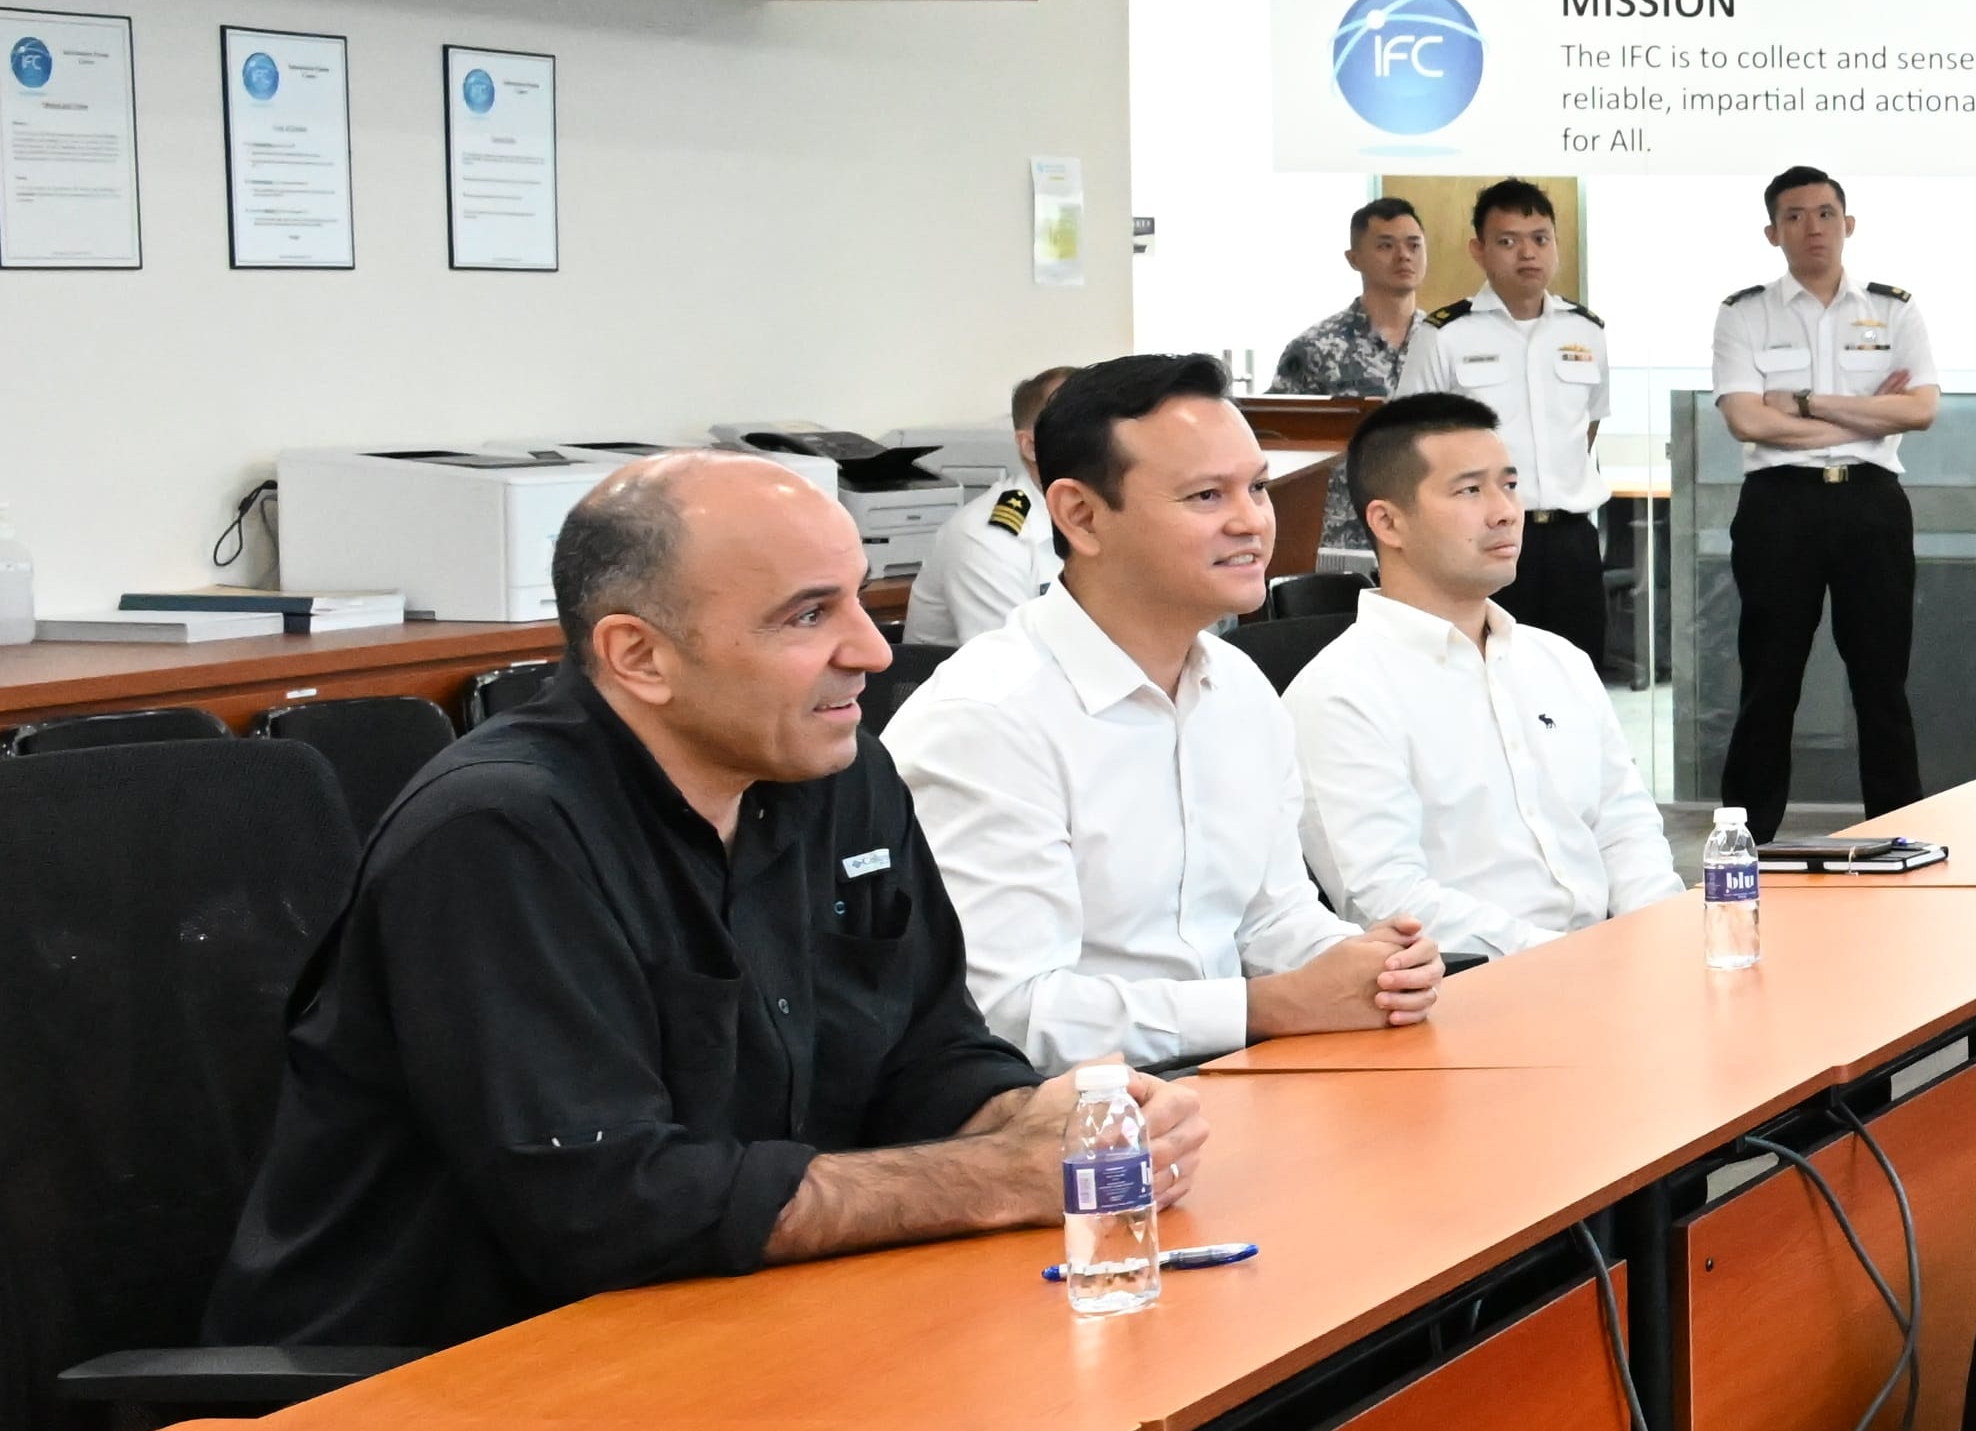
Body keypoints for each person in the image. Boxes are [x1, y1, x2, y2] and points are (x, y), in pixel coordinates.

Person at [204, 452, 1208, 1351]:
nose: (869, 650)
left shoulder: (838, 773)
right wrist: (1000, 1178)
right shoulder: (498, 837)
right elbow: (610, 1205)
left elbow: (927, 1051)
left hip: (735, 1325)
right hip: (458, 1378)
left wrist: (1053, 1122)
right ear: (639, 657)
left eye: (860, 600)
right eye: (809, 616)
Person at [887, 353, 1444, 1065]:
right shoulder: (986, 717)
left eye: (1259, 488)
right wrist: (1264, 1008)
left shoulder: (1239, 688)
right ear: (1081, 516)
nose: (1251, 522)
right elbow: (1009, 1012)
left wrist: (1368, 965)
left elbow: (1270, 917)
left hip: (1234, 1076)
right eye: (1206, 497)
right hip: (1071, 1126)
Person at [1288, 392, 1682, 957]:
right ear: (1388, 521)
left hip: (1612, 971)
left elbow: (1625, 827)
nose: (1504, 511)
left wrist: (1664, 937)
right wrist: (1571, 961)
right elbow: (1389, 898)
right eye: (1470, 490)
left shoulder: (1556, 661)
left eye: (1510, 485)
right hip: (1471, 997)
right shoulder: (1341, 692)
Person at [1713, 163, 1939, 821]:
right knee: (1769, 678)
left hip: (1871, 505)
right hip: (1779, 508)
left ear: (1848, 224)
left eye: (1824, 214)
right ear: (1771, 231)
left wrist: (1809, 405)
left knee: (1881, 682)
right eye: (1794, 216)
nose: (1812, 228)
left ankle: (1902, 831)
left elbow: (1921, 409)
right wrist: (1862, 417)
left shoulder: (1892, 306)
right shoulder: (1744, 313)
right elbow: (1746, 420)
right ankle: (1747, 838)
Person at [1419, 177, 1617, 667]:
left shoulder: (1586, 331)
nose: (1527, 253)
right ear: (1479, 250)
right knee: (1489, 676)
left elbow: (1588, 426)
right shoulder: (1445, 334)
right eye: (1507, 241)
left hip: (1571, 540)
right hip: (1484, 539)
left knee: (1577, 677)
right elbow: (1416, 444)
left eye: (1540, 238)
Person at [1272, 195, 1455, 577]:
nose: (1403, 256)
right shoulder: (1315, 349)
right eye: (1385, 245)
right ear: (1354, 258)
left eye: (1413, 244)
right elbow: (1278, 446)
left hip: (1429, 534)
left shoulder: (1449, 342)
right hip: (1341, 539)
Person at [901, 363, 1075, 654]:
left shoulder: (1113, 517)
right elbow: (1012, 669)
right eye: (1080, 427)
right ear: (1031, 447)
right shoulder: (986, 537)